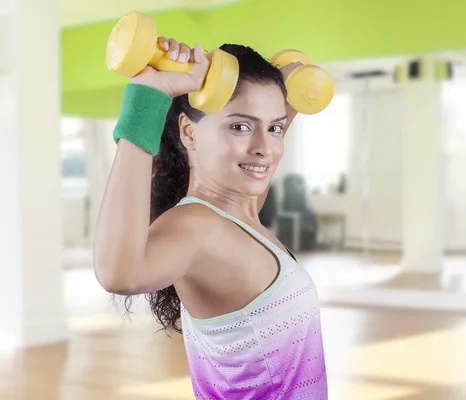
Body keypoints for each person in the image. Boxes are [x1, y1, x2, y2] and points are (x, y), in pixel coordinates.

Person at [93, 39, 328, 399]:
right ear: (188, 132)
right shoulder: (197, 227)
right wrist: (148, 95)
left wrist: (287, 92)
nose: (265, 147)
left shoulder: (239, 210)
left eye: (275, 128)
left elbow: (260, 152)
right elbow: (118, 274)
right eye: (239, 127)